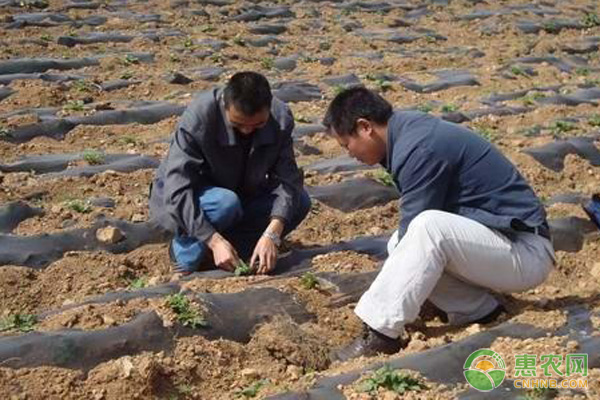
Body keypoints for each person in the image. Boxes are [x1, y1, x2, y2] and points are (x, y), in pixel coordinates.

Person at [323, 87, 555, 361]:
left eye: (346, 145)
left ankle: (380, 334)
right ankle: (479, 310)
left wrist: (390, 293)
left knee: (427, 228)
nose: (350, 155)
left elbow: (417, 227)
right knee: (400, 241)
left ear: (364, 127)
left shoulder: (417, 147)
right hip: (501, 243)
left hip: (526, 251)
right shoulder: (407, 134)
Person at [149, 71, 311, 275]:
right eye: (238, 124)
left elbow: (288, 181)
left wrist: (272, 234)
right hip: (194, 200)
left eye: (258, 125)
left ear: (269, 109)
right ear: (225, 105)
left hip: (240, 193)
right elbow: (178, 190)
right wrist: (214, 241)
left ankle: (234, 251)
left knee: (300, 202)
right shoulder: (200, 117)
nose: (247, 131)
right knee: (225, 203)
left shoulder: (280, 119)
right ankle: (185, 251)